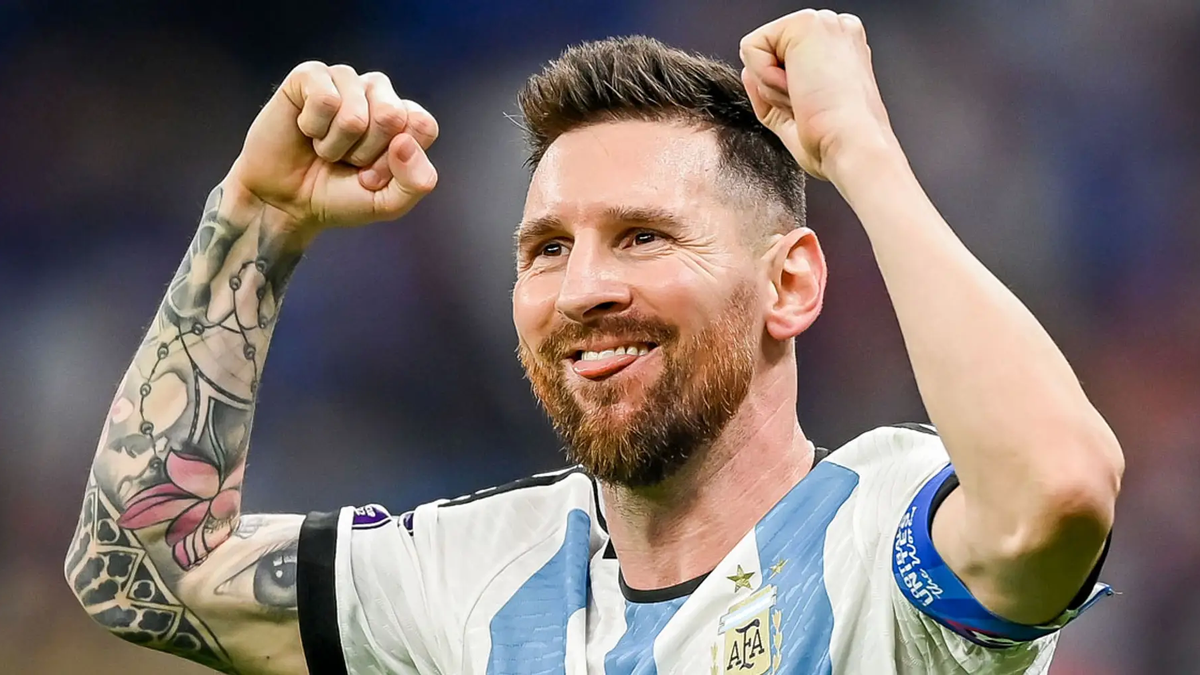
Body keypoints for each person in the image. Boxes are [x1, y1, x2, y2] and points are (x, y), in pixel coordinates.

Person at [64, 9, 1123, 675]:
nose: (584, 290)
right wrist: (256, 214)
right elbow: (139, 572)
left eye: (643, 237)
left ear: (790, 283)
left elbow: (1060, 491)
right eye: (546, 249)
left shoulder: (880, 534)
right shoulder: (473, 571)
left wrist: (860, 152)